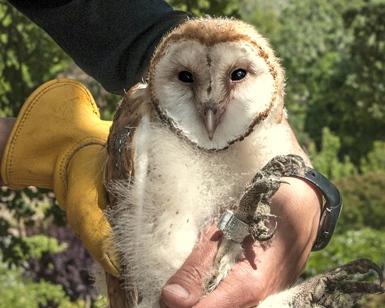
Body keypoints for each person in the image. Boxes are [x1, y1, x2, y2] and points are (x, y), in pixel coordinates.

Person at [1, 1, 322, 307]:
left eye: (238, 76)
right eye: (185, 78)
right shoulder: (142, 132)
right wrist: (58, 150)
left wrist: (292, 167)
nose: (210, 109)